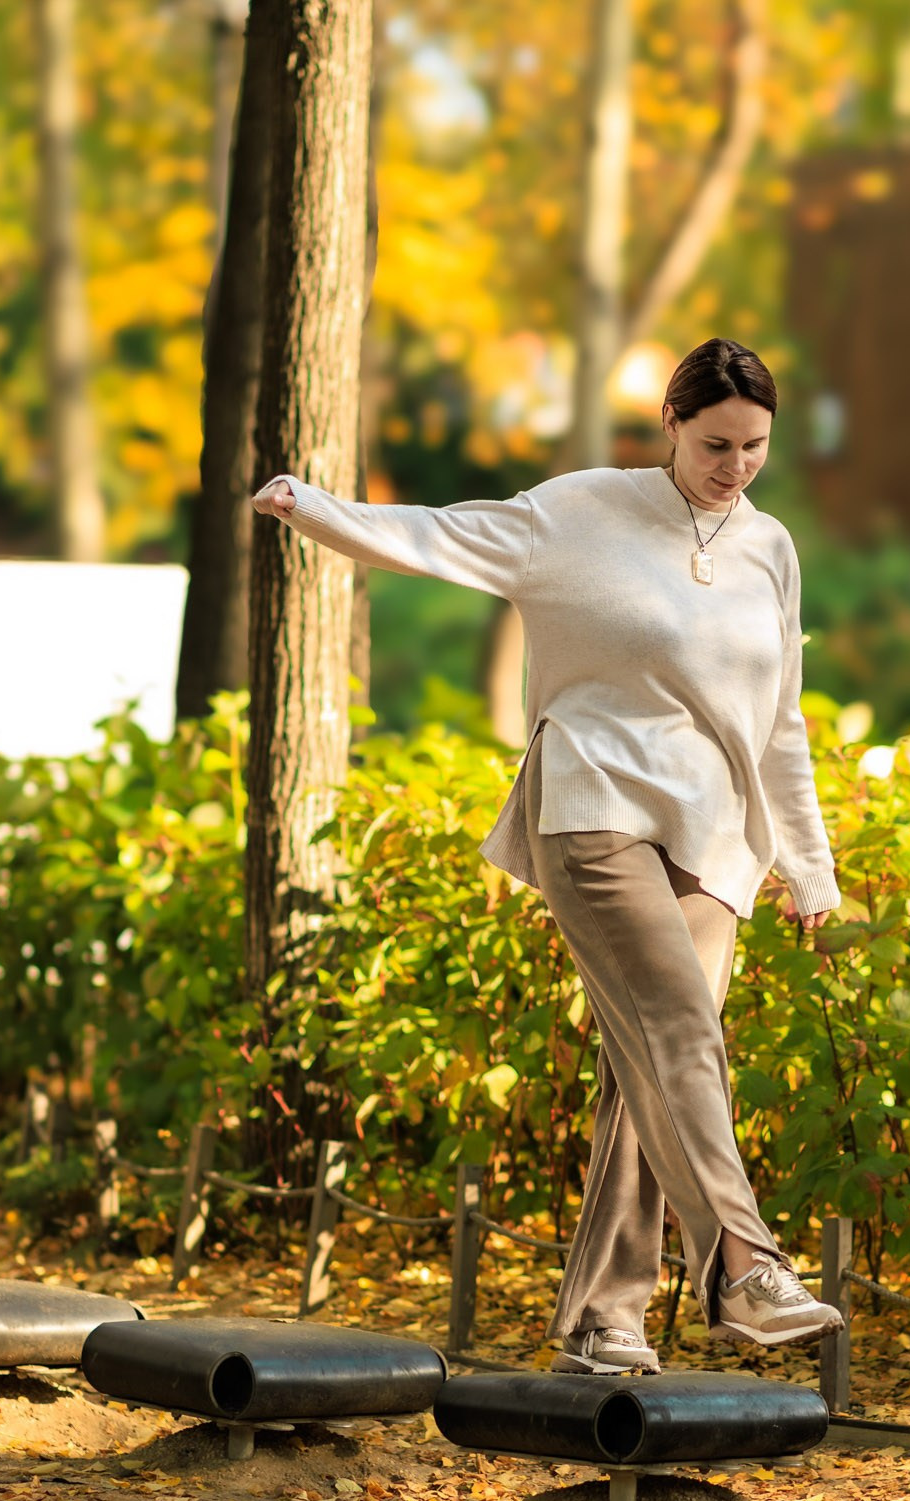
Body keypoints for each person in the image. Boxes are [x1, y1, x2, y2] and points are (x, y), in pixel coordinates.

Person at [251, 337, 844, 1375]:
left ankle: (602, 1323)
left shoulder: (771, 548)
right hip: (593, 803)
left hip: (714, 839)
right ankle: (745, 1266)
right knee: (678, 1030)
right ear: (670, 423)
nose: (736, 466)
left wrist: (808, 861)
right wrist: (313, 507)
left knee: (650, 1072)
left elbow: (780, 719)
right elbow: (440, 534)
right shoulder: (581, 511)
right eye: (716, 444)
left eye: (755, 446)